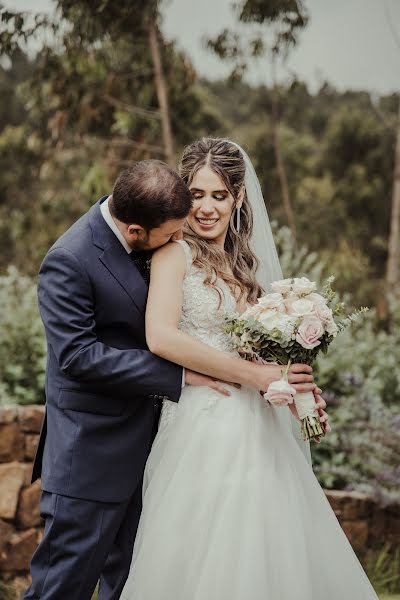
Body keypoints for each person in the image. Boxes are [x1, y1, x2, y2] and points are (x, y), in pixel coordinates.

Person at [23, 158, 322, 600]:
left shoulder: (164, 240)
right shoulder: (69, 260)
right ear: (135, 232)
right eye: (171, 233)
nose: (180, 236)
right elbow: (78, 356)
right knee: (62, 587)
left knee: (136, 586)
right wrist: (182, 374)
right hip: (92, 454)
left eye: (219, 196)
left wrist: (292, 386)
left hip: (159, 448)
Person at [120, 138, 378, 600]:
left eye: (218, 195)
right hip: (200, 423)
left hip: (259, 425)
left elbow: (257, 358)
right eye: (196, 195)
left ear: (237, 198)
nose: (206, 208)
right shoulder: (172, 256)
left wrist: (294, 390)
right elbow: (161, 337)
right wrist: (257, 377)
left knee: (269, 547)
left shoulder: (247, 268)